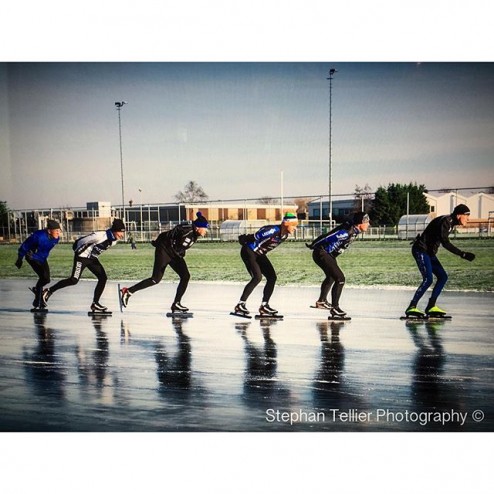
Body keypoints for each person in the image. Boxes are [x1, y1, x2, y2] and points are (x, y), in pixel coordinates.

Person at [120, 212, 209, 313]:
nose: (206, 231)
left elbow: (181, 245)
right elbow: (167, 235)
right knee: (155, 279)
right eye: (205, 228)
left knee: (185, 276)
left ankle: (176, 303)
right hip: (164, 250)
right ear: (198, 227)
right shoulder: (186, 229)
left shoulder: (195, 234)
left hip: (175, 254)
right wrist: (158, 242)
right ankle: (128, 292)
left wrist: (181, 253)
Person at [405, 204, 475, 318]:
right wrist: (462, 254)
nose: (468, 219)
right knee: (428, 279)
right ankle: (411, 307)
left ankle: (431, 306)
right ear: (458, 215)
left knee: (443, 277)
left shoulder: (450, 222)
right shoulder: (446, 221)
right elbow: (445, 242)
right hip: (420, 250)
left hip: (429, 253)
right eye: (466, 215)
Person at [42, 218, 126, 312]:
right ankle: (48, 291)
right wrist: (77, 251)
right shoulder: (99, 235)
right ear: (114, 230)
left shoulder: (114, 241)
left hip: (92, 259)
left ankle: (95, 303)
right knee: (73, 280)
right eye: (120, 232)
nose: (122, 235)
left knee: (103, 278)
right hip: (81, 257)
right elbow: (81, 241)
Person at [233, 212, 298, 317]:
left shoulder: (285, 235)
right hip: (249, 250)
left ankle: (264, 306)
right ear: (287, 224)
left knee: (272, 277)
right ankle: (240, 304)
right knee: (257, 277)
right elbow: (255, 236)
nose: (295, 229)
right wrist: (243, 239)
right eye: (294, 225)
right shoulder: (272, 230)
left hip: (259, 253)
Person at [306, 211, 370, 318]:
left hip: (327, 254)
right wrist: (314, 244)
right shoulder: (346, 232)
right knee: (340, 278)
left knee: (332, 277)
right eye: (367, 222)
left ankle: (322, 301)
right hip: (322, 253)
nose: (369, 224)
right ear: (360, 223)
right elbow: (327, 237)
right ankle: (335, 308)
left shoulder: (354, 230)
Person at [15, 219, 61, 310]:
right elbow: (24, 246)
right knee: (43, 277)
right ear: (49, 231)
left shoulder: (56, 238)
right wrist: (20, 258)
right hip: (32, 257)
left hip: (42, 258)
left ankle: (37, 291)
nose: (58, 233)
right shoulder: (37, 236)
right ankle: (38, 300)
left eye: (59, 230)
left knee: (47, 279)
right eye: (56, 231)